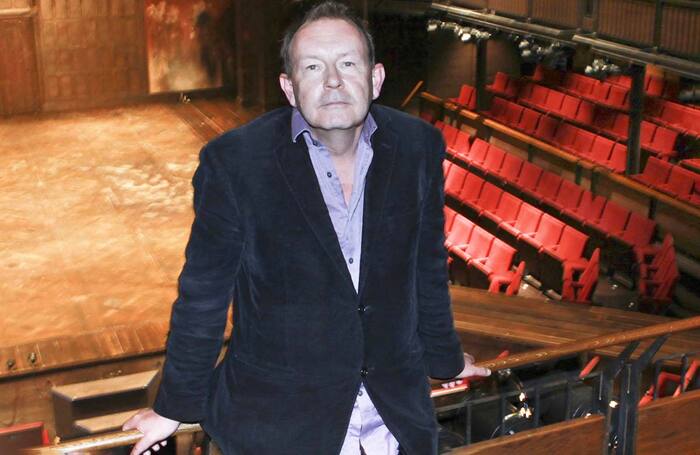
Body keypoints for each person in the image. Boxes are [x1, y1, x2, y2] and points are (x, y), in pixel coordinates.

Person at [123, 2, 489, 454]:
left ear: (375, 79)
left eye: (347, 63)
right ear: (290, 87)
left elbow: (427, 270)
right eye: (313, 67)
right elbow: (204, 297)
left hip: (392, 421)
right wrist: (173, 405)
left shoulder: (418, 146)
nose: (333, 81)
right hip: (279, 427)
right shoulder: (236, 162)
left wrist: (446, 358)